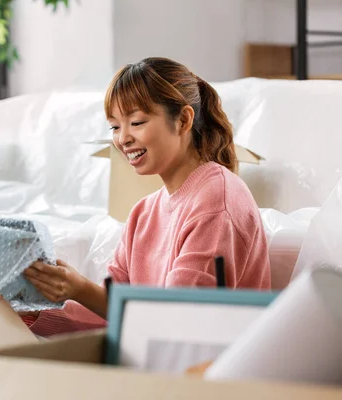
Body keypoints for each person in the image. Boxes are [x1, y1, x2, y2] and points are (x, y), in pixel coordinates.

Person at [23, 57, 271, 336]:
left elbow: (176, 317)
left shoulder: (217, 200)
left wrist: (80, 288)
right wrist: (34, 311)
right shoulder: (143, 212)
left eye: (137, 122)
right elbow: (109, 309)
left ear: (183, 120)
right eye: (115, 127)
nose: (123, 139)